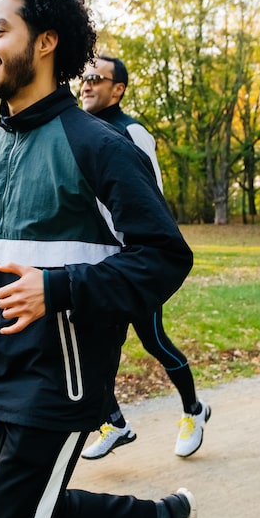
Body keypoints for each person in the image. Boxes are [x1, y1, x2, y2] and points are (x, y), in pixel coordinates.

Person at [0, 0, 197, 518]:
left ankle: (163, 517)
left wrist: (60, 288)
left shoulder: (102, 146)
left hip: (63, 381)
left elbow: (165, 258)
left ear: (45, 42)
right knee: (33, 515)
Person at [77, 55, 209, 460]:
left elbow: (150, 197)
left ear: (118, 89)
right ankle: (114, 422)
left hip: (134, 259)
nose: (86, 84)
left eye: (96, 78)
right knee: (90, 345)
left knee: (153, 339)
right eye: (83, 77)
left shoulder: (131, 131)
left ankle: (194, 410)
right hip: (97, 257)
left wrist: (140, 253)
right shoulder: (80, 130)